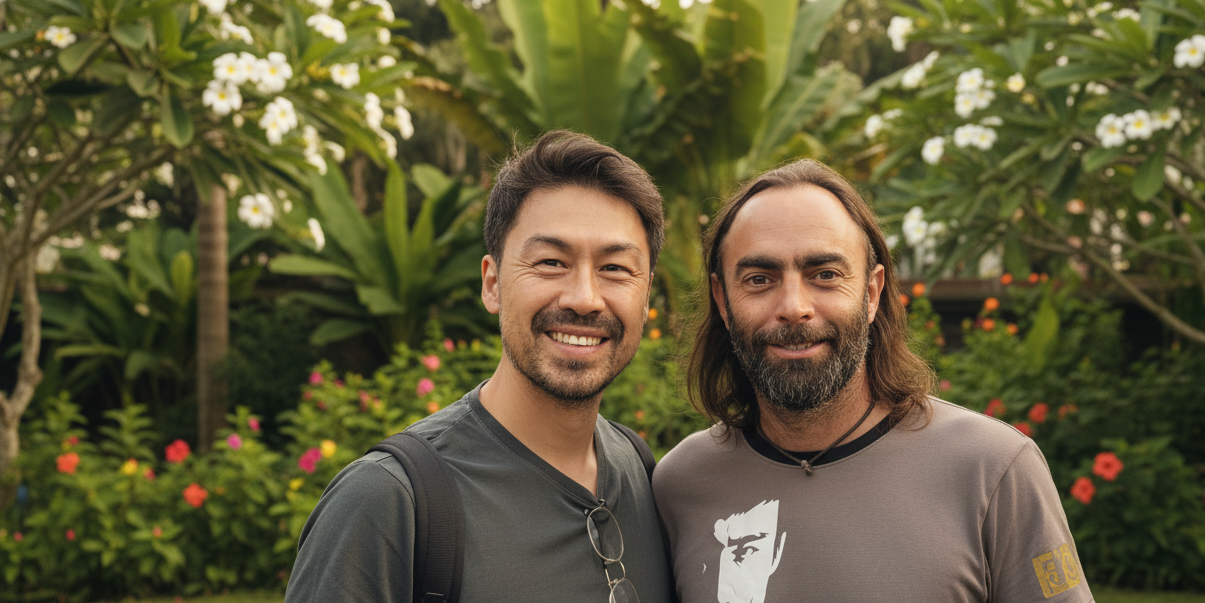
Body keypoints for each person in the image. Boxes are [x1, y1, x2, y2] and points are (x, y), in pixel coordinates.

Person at [652, 159, 1092, 603]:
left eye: (825, 275)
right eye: (759, 279)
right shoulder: (681, 485)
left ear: (872, 292)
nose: (794, 306)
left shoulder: (993, 469)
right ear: (723, 302)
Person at [286, 131, 672, 603]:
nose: (585, 299)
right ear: (492, 284)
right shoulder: (389, 502)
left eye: (615, 268)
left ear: (646, 294)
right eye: (551, 262)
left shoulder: (641, 469)